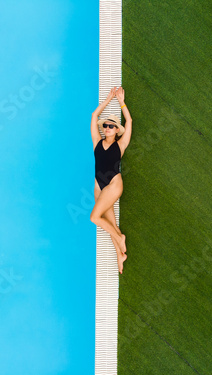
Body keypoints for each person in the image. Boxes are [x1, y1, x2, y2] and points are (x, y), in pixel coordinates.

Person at [90, 87, 133, 274]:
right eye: (105, 125)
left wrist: (122, 102)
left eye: (111, 126)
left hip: (114, 184)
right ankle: (119, 256)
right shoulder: (96, 141)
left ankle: (119, 237)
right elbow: (94, 115)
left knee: (94, 218)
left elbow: (129, 121)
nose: (107, 128)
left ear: (117, 130)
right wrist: (108, 100)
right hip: (99, 187)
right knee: (110, 224)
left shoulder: (120, 145)